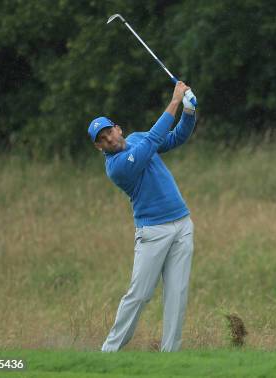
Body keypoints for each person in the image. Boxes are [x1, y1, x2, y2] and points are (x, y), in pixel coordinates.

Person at [88, 82, 197, 352]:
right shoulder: (117, 167)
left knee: (177, 294)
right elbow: (152, 142)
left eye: (108, 132)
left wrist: (189, 111)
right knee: (139, 294)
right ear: (98, 147)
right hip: (153, 232)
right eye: (101, 139)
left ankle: (170, 354)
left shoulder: (136, 137)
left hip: (182, 224)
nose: (109, 139)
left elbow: (174, 138)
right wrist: (174, 101)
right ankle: (110, 350)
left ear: (118, 128)